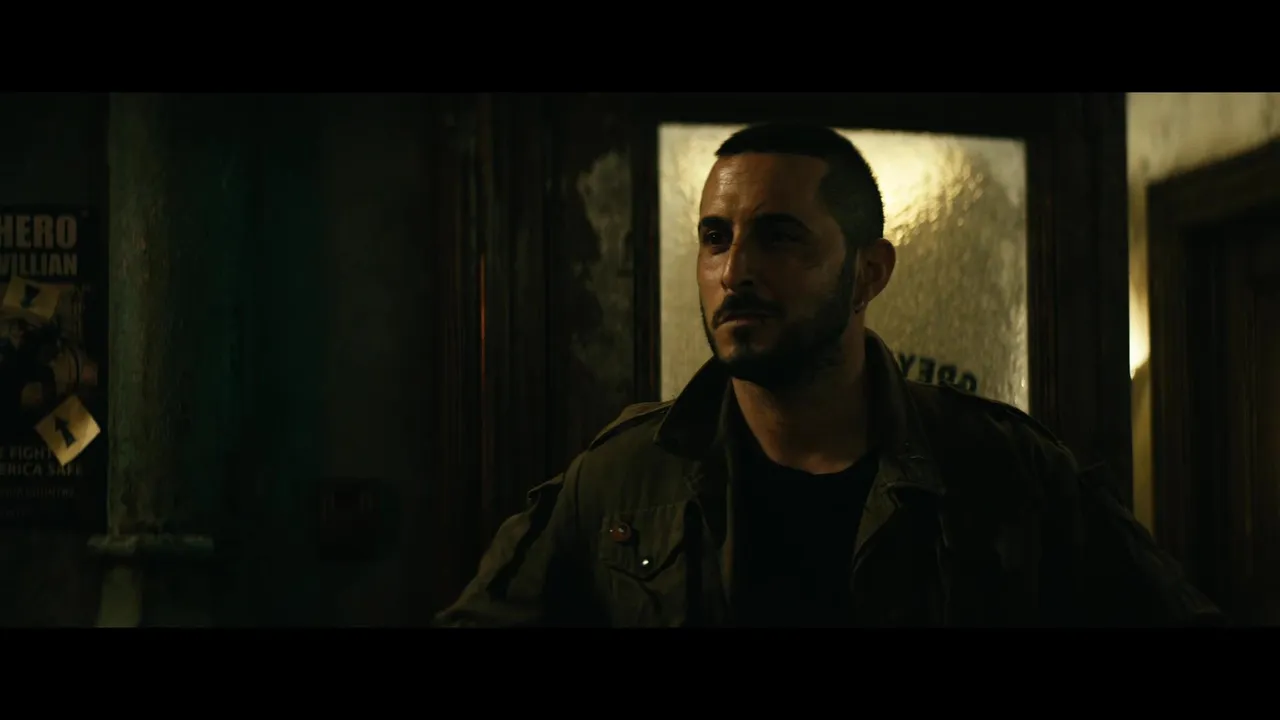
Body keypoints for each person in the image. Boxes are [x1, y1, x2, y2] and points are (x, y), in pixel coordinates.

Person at [435, 123, 1222, 627]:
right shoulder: (622, 480)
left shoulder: (1008, 470)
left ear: (868, 273)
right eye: (715, 237)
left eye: (779, 237)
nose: (734, 271)